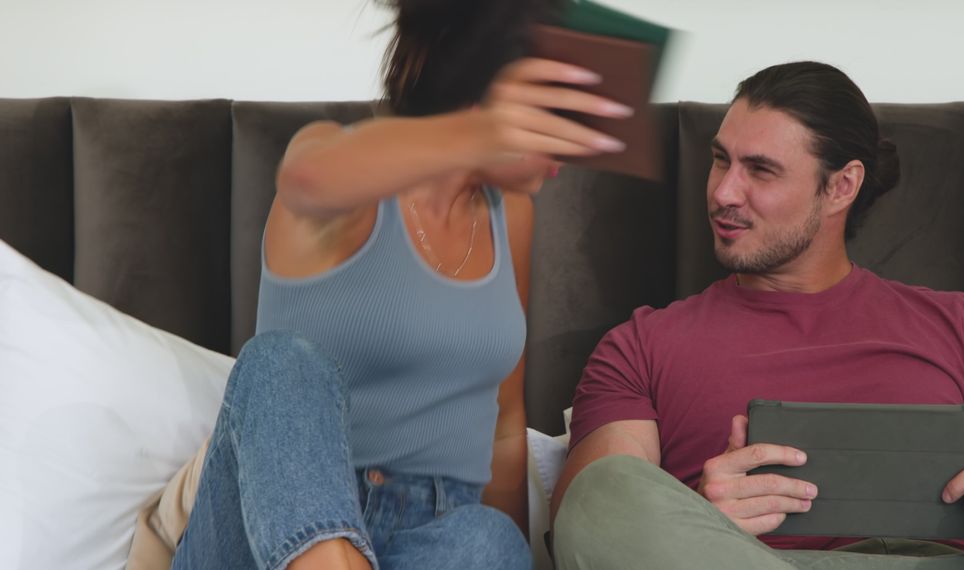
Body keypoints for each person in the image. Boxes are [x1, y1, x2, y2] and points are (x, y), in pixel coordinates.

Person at [550, 61, 964, 570]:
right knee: (603, 490)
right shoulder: (640, 345)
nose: (724, 192)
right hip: (734, 561)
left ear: (841, 186)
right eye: (720, 159)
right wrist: (699, 512)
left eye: (760, 169)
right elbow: (591, 518)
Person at [167, 1, 636, 569]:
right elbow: (307, 178)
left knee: (490, 541)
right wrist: (479, 129)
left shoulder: (509, 214)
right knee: (280, 364)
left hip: (431, 534)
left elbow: (505, 428)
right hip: (270, 522)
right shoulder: (338, 170)